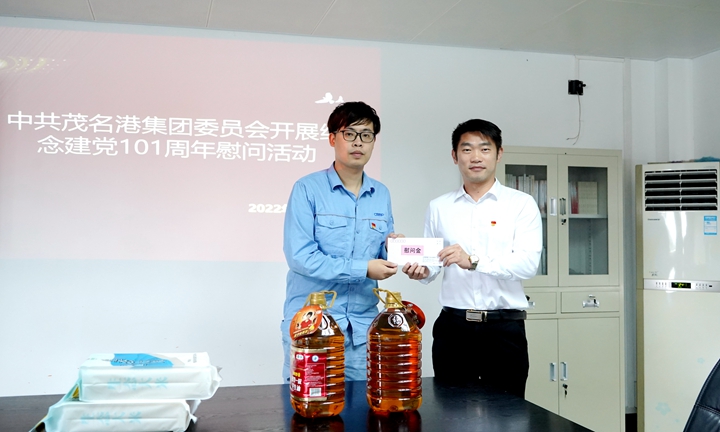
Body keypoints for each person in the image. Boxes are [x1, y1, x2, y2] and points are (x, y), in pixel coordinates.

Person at [402, 118, 542, 398]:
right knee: (451, 411)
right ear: (455, 156)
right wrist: (420, 270)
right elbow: (433, 264)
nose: (476, 157)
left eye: (484, 148)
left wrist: (474, 261)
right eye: (467, 149)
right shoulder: (439, 207)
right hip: (453, 330)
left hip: (504, 329)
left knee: (508, 412)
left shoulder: (521, 204)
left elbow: (528, 264)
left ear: (499, 154)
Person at [281, 101, 401, 381]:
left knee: (362, 406)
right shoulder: (307, 189)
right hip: (313, 326)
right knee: (309, 404)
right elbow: (301, 257)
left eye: (366, 135)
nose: (358, 142)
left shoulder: (381, 193)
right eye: (350, 133)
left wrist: (398, 251)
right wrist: (364, 269)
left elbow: (382, 253)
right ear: (333, 138)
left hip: (362, 327)